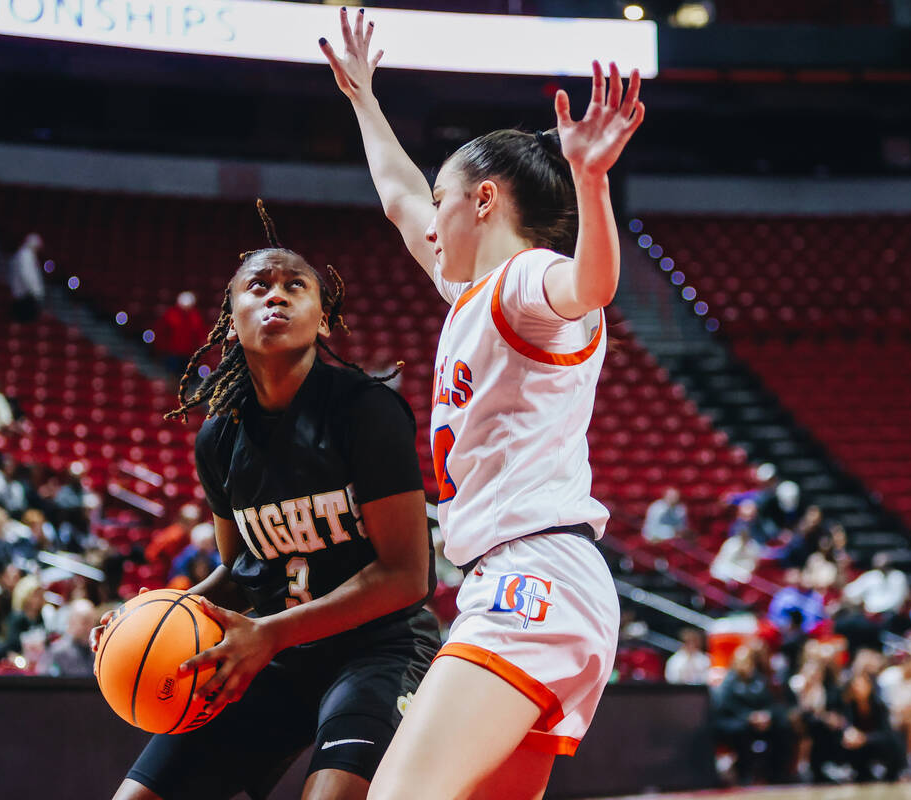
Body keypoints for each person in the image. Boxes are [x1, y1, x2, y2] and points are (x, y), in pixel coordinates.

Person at [322, 9, 639, 796]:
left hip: (531, 576)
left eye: (445, 200)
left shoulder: (528, 280)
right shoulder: (470, 291)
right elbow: (398, 198)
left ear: (487, 200)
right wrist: (364, 98)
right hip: (535, 580)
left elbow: (590, 286)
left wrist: (592, 184)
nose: (431, 221)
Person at [97, 201, 440, 800]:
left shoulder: (366, 410)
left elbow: (409, 577)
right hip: (272, 652)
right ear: (232, 320)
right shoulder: (220, 436)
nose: (276, 294)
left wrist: (272, 634)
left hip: (378, 646)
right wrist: (147, 617)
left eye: (295, 285)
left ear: (324, 320)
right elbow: (239, 572)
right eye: (258, 285)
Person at [712, 645, 794, 784]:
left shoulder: (759, 680)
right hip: (738, 722)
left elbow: (771, 703)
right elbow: (727, 707)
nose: (747, 665)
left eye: (749, 661)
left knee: (784, 726)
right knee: (741, 731)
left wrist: (767, 715)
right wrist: (749, 717)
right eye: (744, 661)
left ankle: (778, 773)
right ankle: (744, 774)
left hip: (761, 723)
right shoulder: (729, 682)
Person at [154, 291, 209, 375]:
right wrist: (164, 349)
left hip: (190, 353)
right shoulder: (170, 315)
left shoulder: (196, 316)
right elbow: (162, 333)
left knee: (187, 375)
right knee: (173, 374)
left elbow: (200, 334)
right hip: (172, 353)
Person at [42, 597, 97, 677]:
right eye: (84, 622)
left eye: (91, 622)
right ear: (71, 622)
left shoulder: (98, 652)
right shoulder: (57, 652)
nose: (89, 628)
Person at [9, 233, 45, 322]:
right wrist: (35, 291)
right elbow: (26, 274)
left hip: (25, 294)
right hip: (25, 295)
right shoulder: (25, 255)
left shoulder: (27, 255)